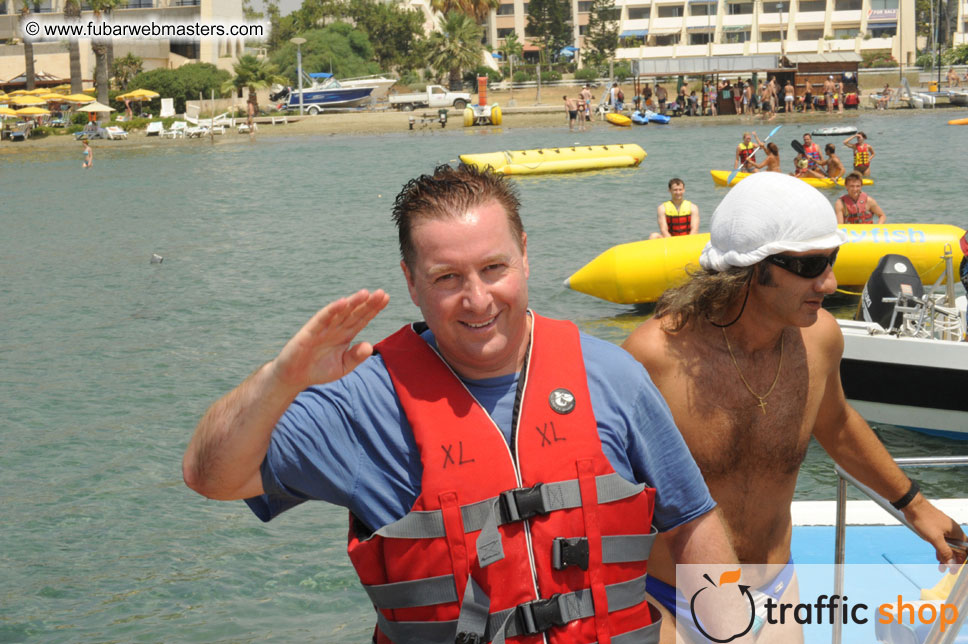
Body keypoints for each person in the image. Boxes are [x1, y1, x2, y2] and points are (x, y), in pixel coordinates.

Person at [183, 164, 744, 644]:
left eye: (493, 268)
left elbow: (693, 523)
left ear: (525, 254)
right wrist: (280, 380)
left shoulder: (613, 376)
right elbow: (211, 475)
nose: (477, 299)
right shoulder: (364, 403)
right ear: (410, 281)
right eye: (447, 277)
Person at [622, 172, 967, 640]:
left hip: (776, 588)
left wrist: (914, 505)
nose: (829, 282)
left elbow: (838, 425)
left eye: (832, 260)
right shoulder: (655, 357)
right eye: (810, 266)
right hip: (672, 598)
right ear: (750, 270)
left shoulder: (820, 339)